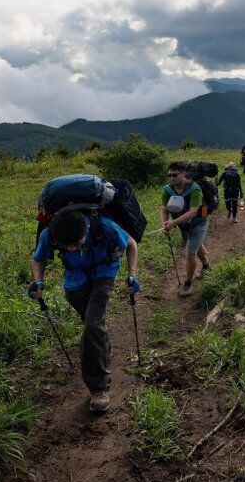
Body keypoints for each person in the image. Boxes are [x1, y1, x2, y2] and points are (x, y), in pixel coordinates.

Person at [29, 209, 139, 413]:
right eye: (66, 247)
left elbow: (131, 244)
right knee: (92, 323)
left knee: (92, 324)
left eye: (77, 244)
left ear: (87, 229)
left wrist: (132, 275)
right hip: (75, 280)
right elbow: (38, 257)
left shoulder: (104, 226)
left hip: (104, 272)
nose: (71, 249)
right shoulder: (50, 233)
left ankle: (99, 388)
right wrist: (38, 281)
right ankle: (102, 346)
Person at [160, 161, 210, 297]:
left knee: (190, 253)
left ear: (183, 174)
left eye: (175, 175)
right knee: (196, 245)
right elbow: (164, 210)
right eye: (169, 175)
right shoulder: (167, 190)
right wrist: (165, 225)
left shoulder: (195, 189)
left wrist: (173, 222)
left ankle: (188, 283)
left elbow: (193, 211)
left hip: (199, 223)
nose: (171, 178)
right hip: (183, 226)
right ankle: (206, 266)